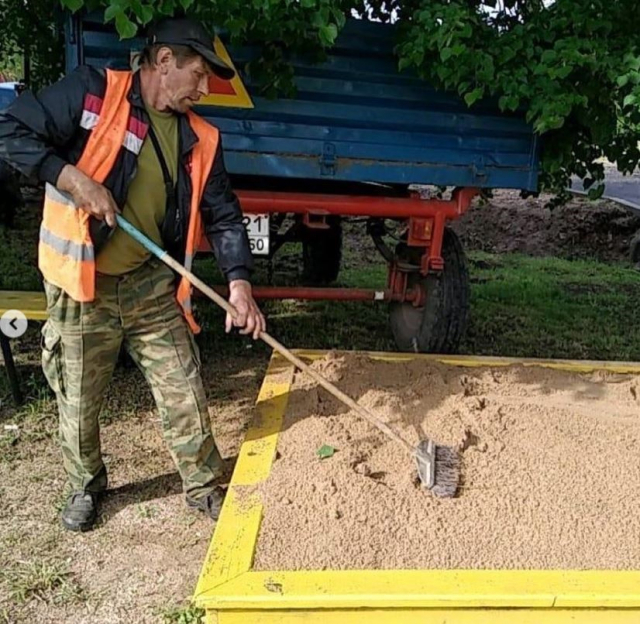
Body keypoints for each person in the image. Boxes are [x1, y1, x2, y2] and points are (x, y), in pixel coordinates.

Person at [0, 16, 265, 532]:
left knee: (184, 389)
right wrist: (73, 179)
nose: (206, 88)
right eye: (199, 75)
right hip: (83, 285)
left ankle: (204, 485)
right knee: (78, 401)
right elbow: (9, 130)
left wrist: (239, 284)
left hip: (149, 284)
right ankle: (86, 483)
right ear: (164, 62)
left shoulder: (201, 136)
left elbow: (225, 215)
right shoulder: (95, 94)